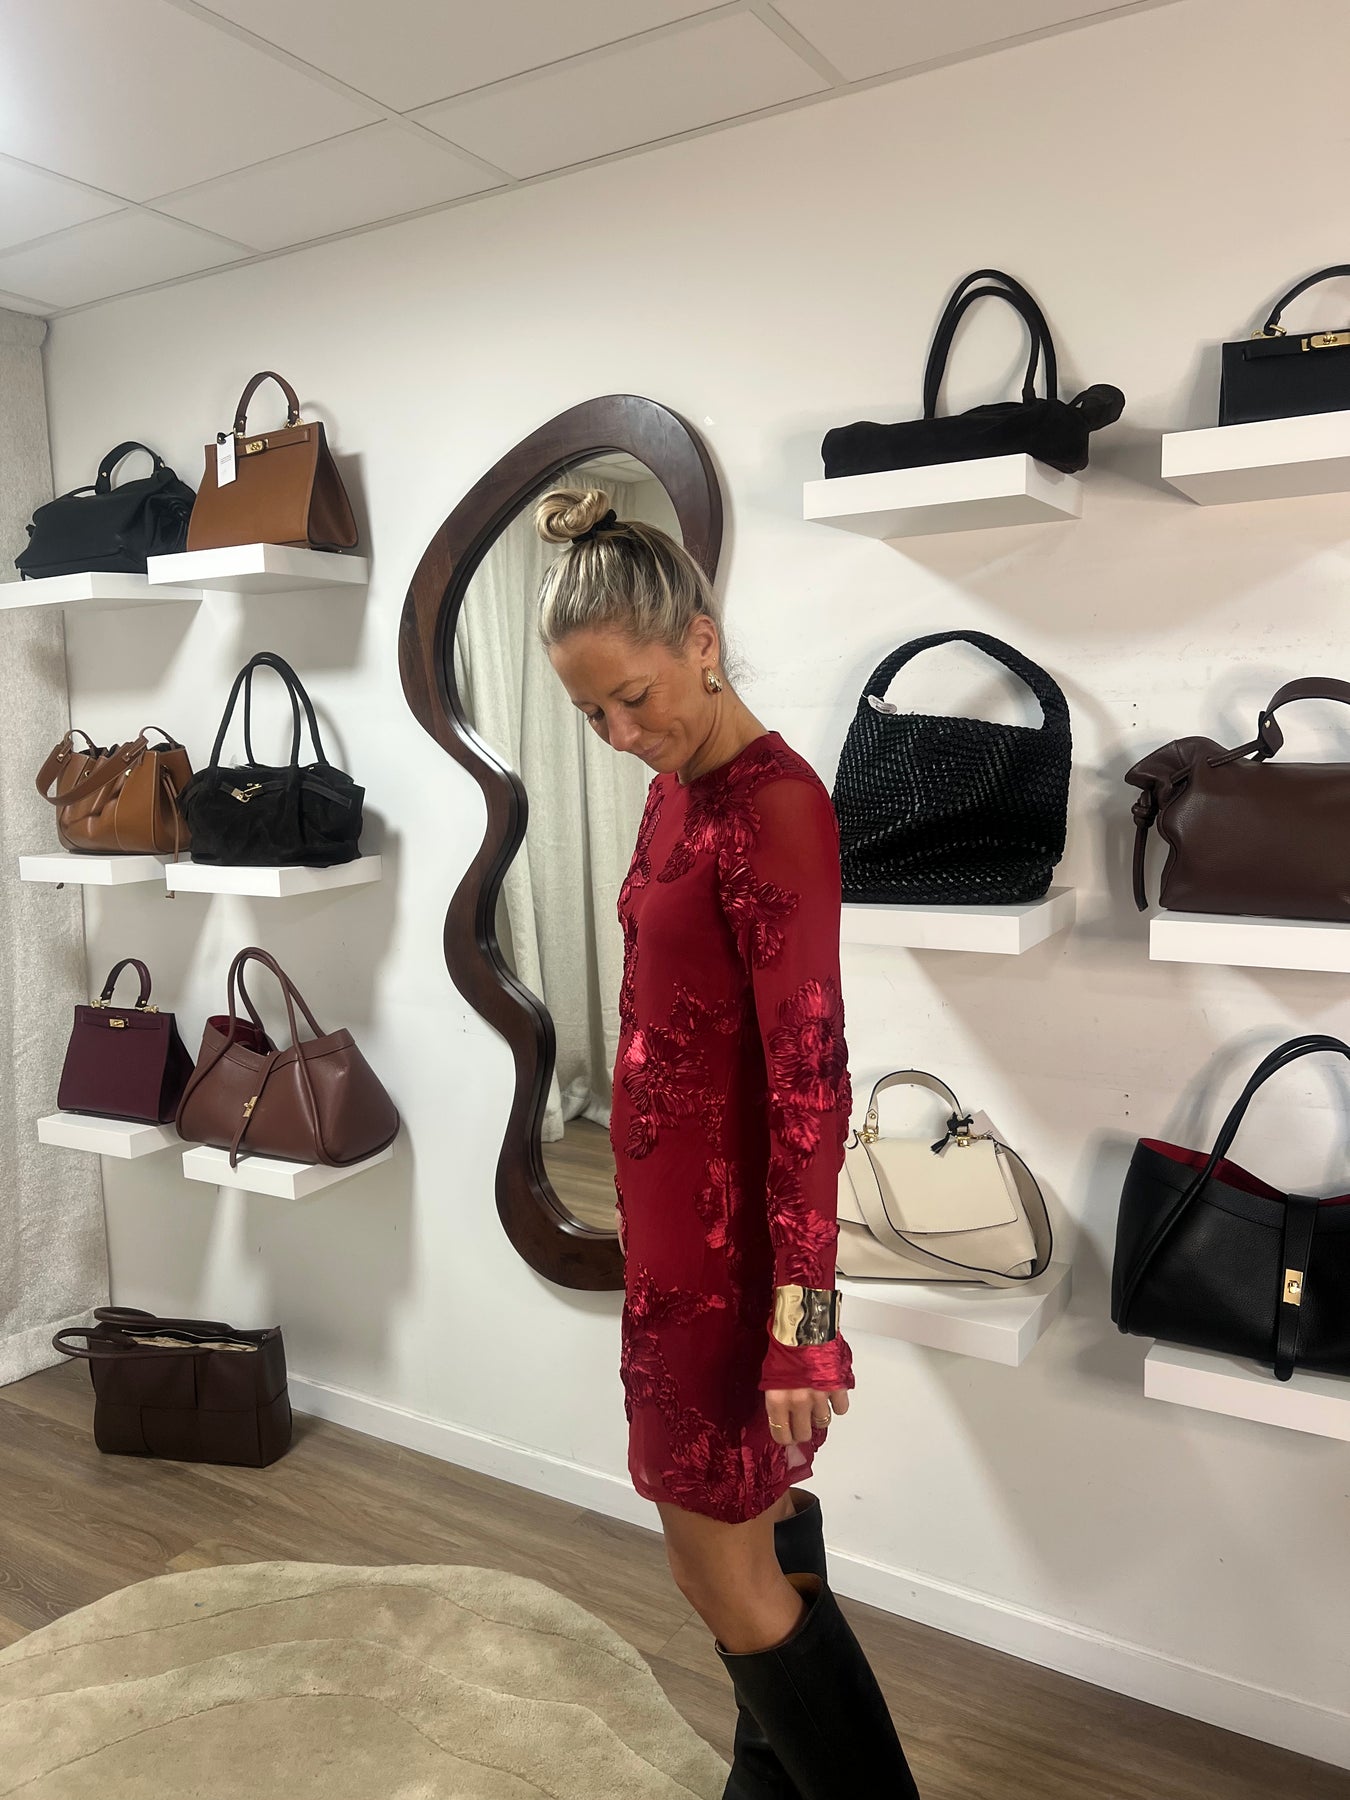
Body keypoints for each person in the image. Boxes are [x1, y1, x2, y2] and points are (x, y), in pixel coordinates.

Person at [536, 487, 922, 1799]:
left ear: (701, 641)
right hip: (668, 1248)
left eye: (632, 696)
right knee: (756, 1540)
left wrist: (804, 1321)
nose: (618, 733)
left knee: (714, 1571)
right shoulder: (674, 794)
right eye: (590, 713)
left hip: (731, 1264)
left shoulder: (775, 808)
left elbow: (811, 1079)